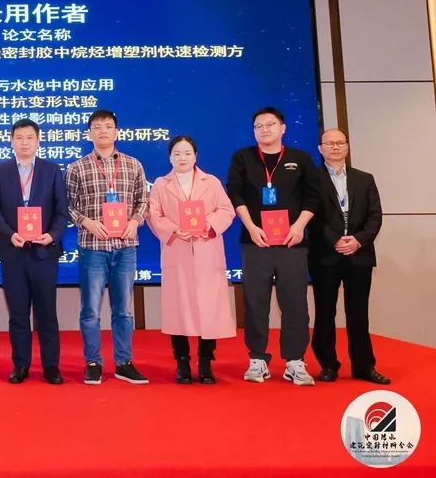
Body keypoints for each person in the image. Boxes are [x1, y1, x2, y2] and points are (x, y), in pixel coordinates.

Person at [227, 107, 321, 386]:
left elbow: (313, 197)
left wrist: (299, 227)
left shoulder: (300, 159)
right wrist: (251, 227)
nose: (264, 129)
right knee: (255, 303)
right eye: (258, 126)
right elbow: (235, 194)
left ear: (283, 128)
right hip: (255, 242)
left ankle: (295, 361)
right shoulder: (243, 157)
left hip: (292, 243)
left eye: (270, 124)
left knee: (295, 303)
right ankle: (257, 359)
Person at [65, 109, 150, 385]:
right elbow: (67, 205)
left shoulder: (133, 165)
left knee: (123, 309)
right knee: (90, 309)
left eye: (108, 126)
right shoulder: (77, 167)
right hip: (93, 246)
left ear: (116, 132)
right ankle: (93, 362)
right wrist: (86, 222)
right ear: (89, 133)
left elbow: (143, 200)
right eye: (97, 127)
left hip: (125, 246)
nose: (103, 131)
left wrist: (135, 221)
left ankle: (124, 362)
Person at [146, 135, 236, 385]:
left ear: (195, 156)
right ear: (169, 157)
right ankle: (182, 361)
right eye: (176, 153)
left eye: (187, 153)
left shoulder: (212, 182)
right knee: (179, 309)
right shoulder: (161, 184)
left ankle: (206, 361)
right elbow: (153, 215)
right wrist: (174, 229)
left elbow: (226, 210)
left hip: (207, 250)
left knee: (209, 309)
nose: (182, 158)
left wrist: (208, 224)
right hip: (178, 250)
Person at [0, 118, 68, 385]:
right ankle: (20, 365)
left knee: (47, 314)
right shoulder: (0, 171)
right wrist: (10, 233)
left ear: (38, 141)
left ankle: (51, 366)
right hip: (13, 252)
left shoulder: (52, 170)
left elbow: (62, 211)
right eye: (19, 137)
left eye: (29, 137)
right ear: (11, 141)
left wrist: (51, 235)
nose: (24, 142)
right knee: (18, 313)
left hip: (44, 253)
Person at [308, 129, 390, 384]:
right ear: (320, 148)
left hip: (358, 254)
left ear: (347, 146)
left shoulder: (364, 179)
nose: (335, 147)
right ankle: (328, 365)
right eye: (329, 143)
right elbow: (310, 217)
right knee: (325, 313)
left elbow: (375, 216)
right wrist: (334, 239)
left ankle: (364, 367)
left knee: (359, 314)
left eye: (340, 142)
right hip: (325, 255)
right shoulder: (311, 179)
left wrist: (358, 240)